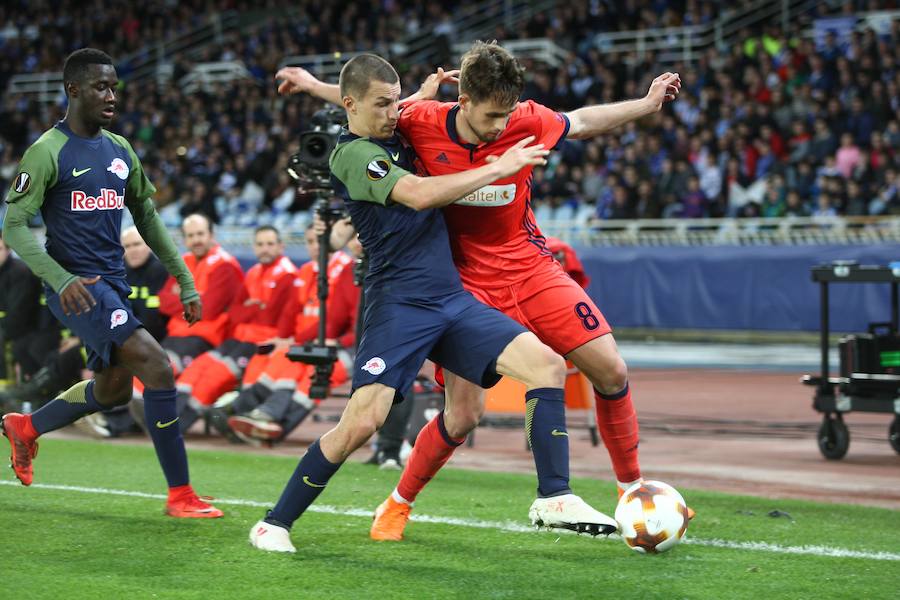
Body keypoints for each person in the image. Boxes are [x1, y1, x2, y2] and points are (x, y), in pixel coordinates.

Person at [276, 41, 691, 542]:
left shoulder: (527, 119)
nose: (501, 126)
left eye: (508, 114)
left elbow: (581, 120)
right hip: (463, 280)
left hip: (528, 265)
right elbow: (367, 103)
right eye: (492, 115)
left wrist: (646, 105)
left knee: (611, 367)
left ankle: (631, 491)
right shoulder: (417, 121)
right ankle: (398, 502)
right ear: (463, 100)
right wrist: (310, 85)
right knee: (463, 414)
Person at [0, 48, 222, 518]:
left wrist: (184, 278)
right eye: (101, 87)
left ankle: (27, 426)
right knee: (158, 365)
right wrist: (59, 279)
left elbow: (147, 215)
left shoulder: (120, 149)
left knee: (115, 390)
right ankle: (181, 495)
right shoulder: (46, 151)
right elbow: (15, 225)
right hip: (76, 287)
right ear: (73, 89)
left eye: (114, 87)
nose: (111, 96)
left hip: (112, 284)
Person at [221, 225, 357, 445]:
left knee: (311, 372)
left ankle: (267, 424)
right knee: (284, 360)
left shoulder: (345, 271)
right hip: (316, 341)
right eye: (311, 241)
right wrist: (288, 339)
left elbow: (333, 320)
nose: (317, 246)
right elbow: (290, 313)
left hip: (345, 345)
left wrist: (300, 341)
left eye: (321, 240)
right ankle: (255, 415)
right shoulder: (306, 271)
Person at [168, 225, 298, 432]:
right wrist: (257, 308)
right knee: (197, 369)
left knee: (215, 375)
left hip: (262, 343)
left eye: (270, 244)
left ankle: (179, 424)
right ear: (254, 248)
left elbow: (275, 317)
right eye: (260, 244)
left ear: (281, 246)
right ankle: (169, 417)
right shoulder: (254, 272)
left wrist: (251, 309)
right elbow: (235, 313)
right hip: (239, 338)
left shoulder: (288, 275)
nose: (265, 249)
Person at [130, 213, 244, 427]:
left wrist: (179, 297)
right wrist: (192, 300)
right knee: (147, 364)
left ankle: (134, 418)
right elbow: (163, 300)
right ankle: (129, 415)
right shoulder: (184, 261)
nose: (196, 240)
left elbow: (207, 310)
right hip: (177, 335)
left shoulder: (225, 265)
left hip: (204, 338)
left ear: (212, 234)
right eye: (191, 235)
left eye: (200, 234)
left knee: (162, 367)